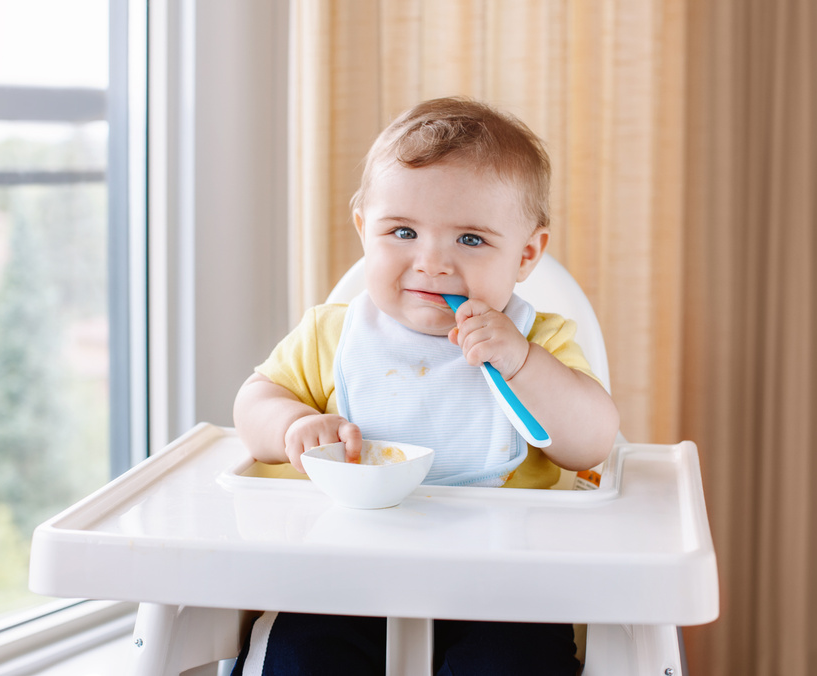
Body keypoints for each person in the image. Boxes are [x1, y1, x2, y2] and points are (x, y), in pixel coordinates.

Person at [231, 97, 620, 676]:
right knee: (299, 656)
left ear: (527, 254)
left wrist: (521, 363)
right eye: (404, 231)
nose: (431, 262)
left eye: (470, 240)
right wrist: (291, 424)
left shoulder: (540, 343)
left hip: (506, 592)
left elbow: (593, 442)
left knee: (513, 665)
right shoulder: (333, 334)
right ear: (364, 229)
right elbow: (252, 402)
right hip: (342, 582)